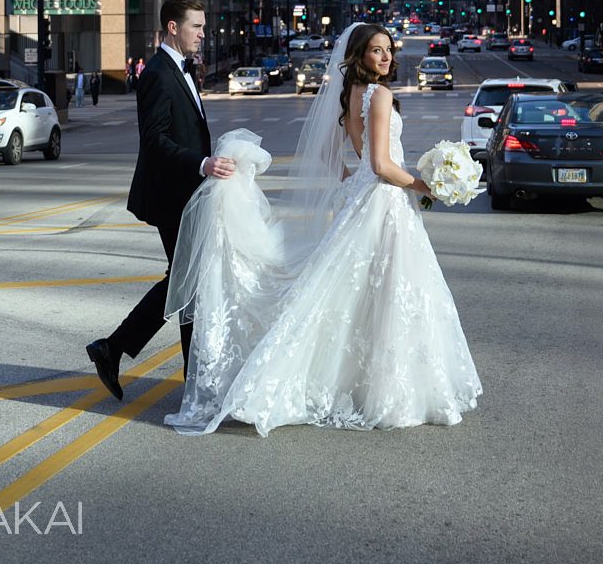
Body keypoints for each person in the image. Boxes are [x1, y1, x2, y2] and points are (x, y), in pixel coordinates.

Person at [163, 22, 481, 437]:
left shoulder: (350, 95)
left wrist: (354, 183)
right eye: (376, 51)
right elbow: (384, 166)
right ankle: (387, 392)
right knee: (388, 292)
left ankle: (359, 384)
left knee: (355, 293)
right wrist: (428, 186)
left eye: (388, 50)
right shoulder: (380, 95)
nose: (385, 58)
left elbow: (336, 159)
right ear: (359, 56)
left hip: (365, 200)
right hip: (384, 205)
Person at [86, 0, 236, 401]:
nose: (203, 34)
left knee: (187, 283)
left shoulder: (181, 69)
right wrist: (202, 163)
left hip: (187, 194)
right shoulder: (157, 73)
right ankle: (126, 353)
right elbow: (155, 141)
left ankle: (119, 351)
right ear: (173, 27)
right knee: (187, 282)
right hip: (172, 196)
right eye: (197, 27)